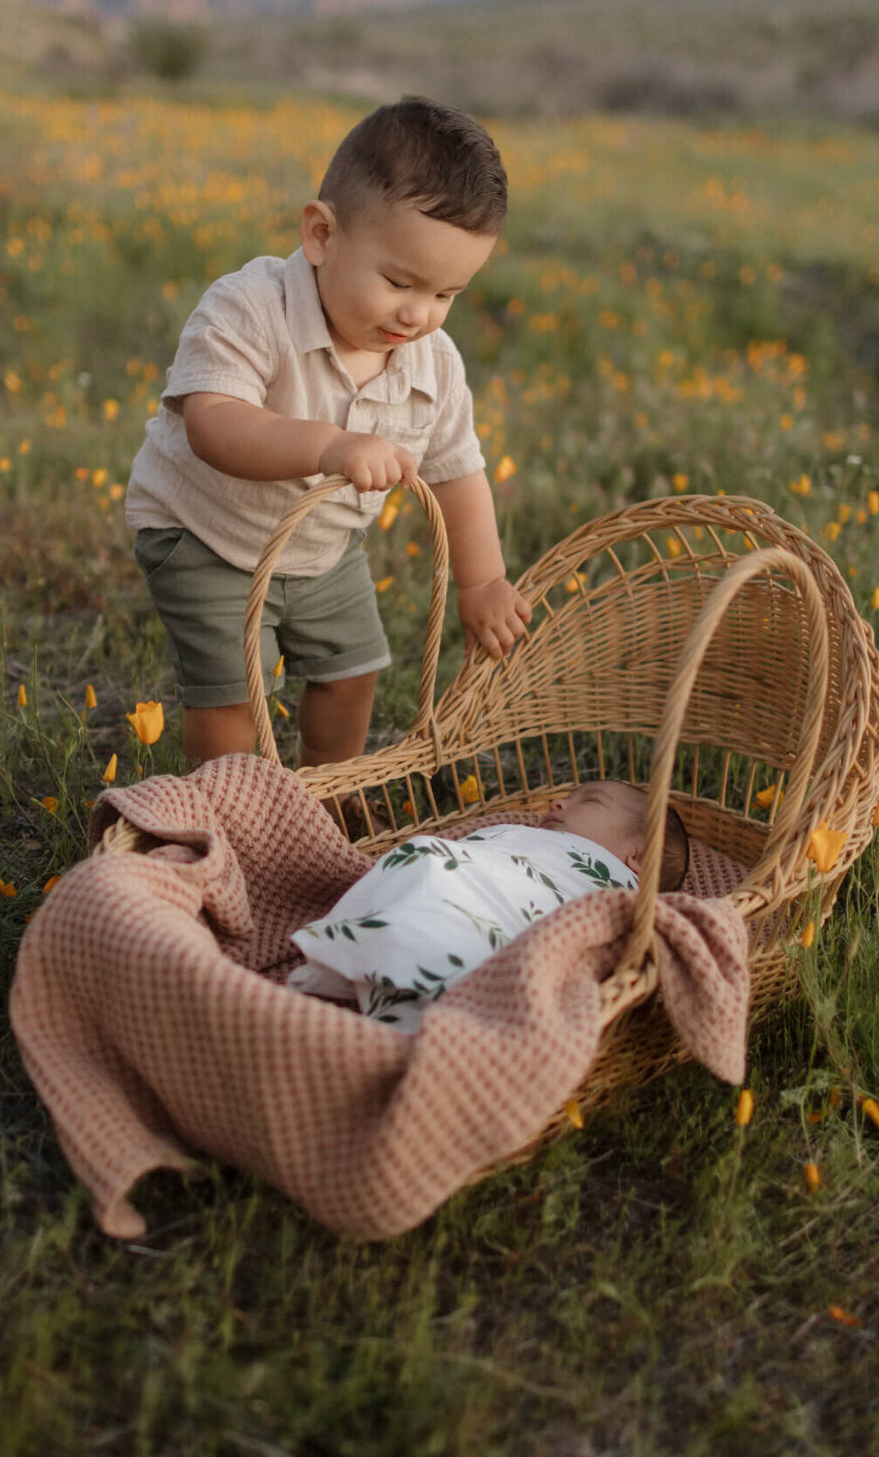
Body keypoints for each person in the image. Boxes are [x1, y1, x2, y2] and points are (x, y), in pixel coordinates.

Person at [126, 96, 532, 768]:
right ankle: (230, 808)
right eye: (399, 281)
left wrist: (482, 582)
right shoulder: (250, 308)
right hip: (206, 534)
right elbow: (214, 424)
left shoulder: (434, 363)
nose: (418, 313)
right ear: (321, 235)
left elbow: (457, 472)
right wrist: (331, 447)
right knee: (234, 696)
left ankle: (326, 793)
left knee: (353, 672)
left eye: (445, 295)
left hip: (322, 549)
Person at [287, 780, 692, 1029]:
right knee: (429, 864)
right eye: (567, 797)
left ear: (637, 859)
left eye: (590, 801)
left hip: (505, 914)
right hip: (462, 881)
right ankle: (375, 965)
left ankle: (403, 987)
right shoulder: (531, 838)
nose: (558, 804)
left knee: (440, 881)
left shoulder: (614, 891)